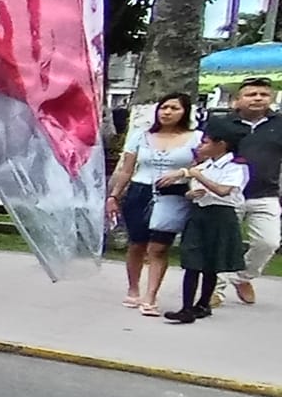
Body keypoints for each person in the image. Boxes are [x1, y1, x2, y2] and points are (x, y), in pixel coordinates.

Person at [106, 94, 199, 315]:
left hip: (173, 192)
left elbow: (203, 166)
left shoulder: (196, 138)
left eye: (174, 108)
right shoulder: (141, 135)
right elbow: (127, 169)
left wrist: (184, 174)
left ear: (185, 112)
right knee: (137, 243)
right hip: (141, 190)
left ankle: (151, 295)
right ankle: (133, 287)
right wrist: (114, 195)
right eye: (164, 107)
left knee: (159, 246)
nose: (167, 112)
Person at [162, 116, 252, 324]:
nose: (201, 145)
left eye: (206, 142)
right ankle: (186, 307)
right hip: (200, 214)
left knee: (212, 262)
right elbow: (192, 189)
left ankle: (203, 304)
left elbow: (223, 190)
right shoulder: (206, 166)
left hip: (221, 216)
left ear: (221, 144)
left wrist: (198, 176)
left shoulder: (236, 166)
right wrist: (190, 194)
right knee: (193, 261)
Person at [226, 78, 280, 304]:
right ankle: (214, 291)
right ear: (237, 100)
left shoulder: (279, 124)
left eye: (263, 94)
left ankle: (242, 277)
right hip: (228, 194)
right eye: (251, 94)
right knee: (224, 243)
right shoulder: (223, 124)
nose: (258, 98)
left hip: (266, 194)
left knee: (268, 243)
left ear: (272, 98)